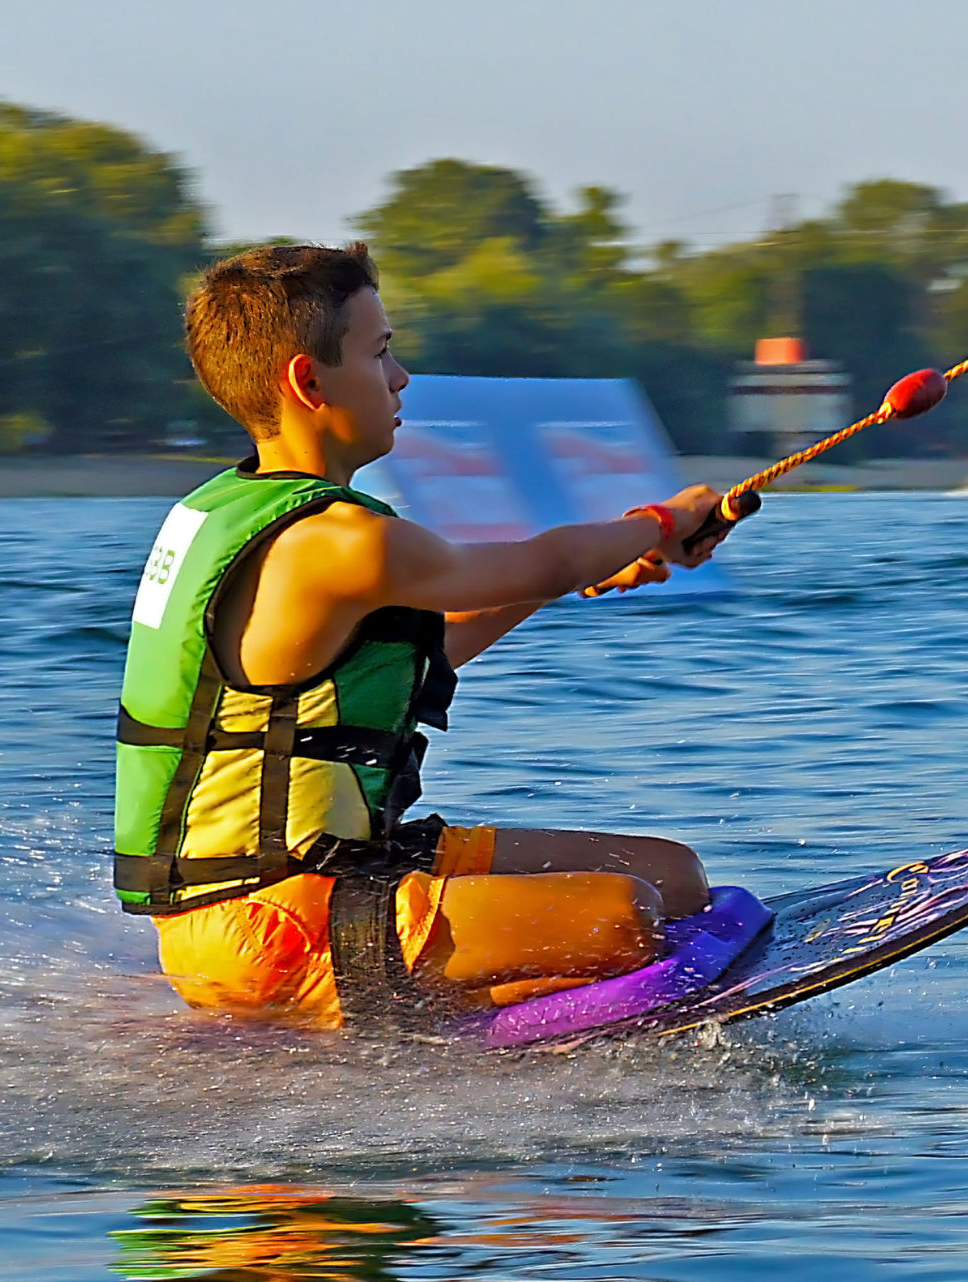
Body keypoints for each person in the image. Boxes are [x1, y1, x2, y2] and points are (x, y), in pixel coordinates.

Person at [113, 242, 731, 1029]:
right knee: (623, 917)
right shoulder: (337, 541)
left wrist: (588, 570)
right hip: (270, 924)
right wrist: (661, 521)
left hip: (328, 872)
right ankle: (440, 1028)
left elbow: (422, 656)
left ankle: (450, 987)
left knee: (676, 876)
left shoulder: (234, 510)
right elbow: (545, 558)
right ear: (309, 382)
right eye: (380, 353)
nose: (401, 378)